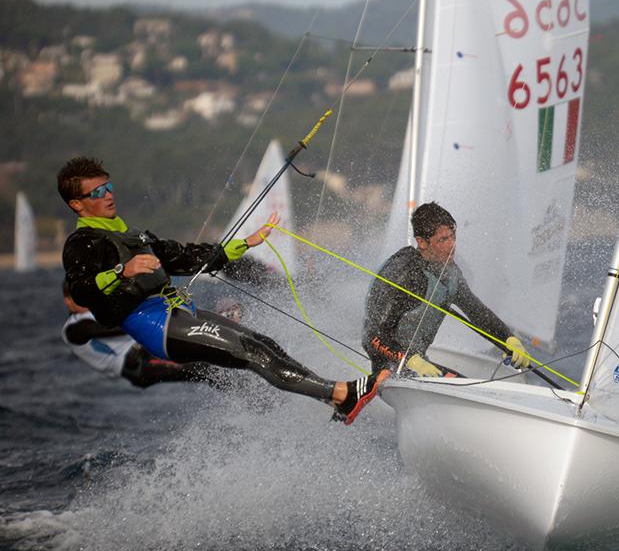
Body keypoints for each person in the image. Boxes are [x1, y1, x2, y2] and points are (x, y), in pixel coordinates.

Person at [57, 156, 386, 424]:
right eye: (97, 193)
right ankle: (340, 392)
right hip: (154, 325)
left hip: (177, 312)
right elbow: (81, 289)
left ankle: (335, 398)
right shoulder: (82, 243)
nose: (109, 195)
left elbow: (187, 257)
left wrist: (246, 243)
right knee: (249, 351)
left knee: (262, 342)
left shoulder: (132, 235)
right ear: (77, 204)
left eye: (108, 187)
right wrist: (121, 270)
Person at [361, 201, 532, 378]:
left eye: (452, 236)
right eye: (443, 240)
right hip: (390, 368)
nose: (452, 245)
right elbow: (371, 337)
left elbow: (476, 312)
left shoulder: (450, 273)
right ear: (422, 242)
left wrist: (508, 340)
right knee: (465, 388)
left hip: (418, 364)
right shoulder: (402, 273)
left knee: (466, 385)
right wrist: (410, 360)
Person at [61, 280, 220, 388]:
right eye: (78, 298)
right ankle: (242, 393)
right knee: (202, 370)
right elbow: (106, 329)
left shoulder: (99, 311)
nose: (85, 300)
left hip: (147, 347)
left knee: (206, 359)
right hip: (137, 365)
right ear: (68, 301)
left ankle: (219, 323)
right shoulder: (74, 328)